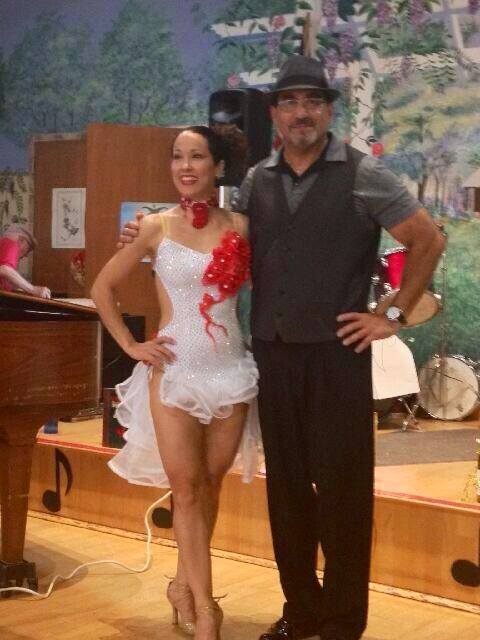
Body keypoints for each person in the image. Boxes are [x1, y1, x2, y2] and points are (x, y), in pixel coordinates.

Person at [119, 57, 444, 640]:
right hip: (272, 356)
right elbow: (212, 232)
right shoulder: (256, 182)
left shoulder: (365, 174)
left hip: (338, 356)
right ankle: (301, 611)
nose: (301, 112)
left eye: (313, 101)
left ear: (328, 111)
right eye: (289, 102)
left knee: (343, 493)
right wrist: (146, 229)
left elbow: (427, 238)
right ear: (274, 114)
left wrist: (390, 315)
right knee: (287, 493)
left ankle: (341, 622)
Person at [91, 125, 259, 640]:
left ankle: (183, 586)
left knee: (209, 486)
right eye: (178, 157)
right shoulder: (153, 226)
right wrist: (130, 345)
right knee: (185, 490)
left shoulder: (243, 226)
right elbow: (102, 288)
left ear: (218, 166)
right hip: (175, 371)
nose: (185, 166)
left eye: (197, 157)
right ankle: (207, 611)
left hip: (231, 372)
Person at [0, 225, 51, 298]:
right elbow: (4, 269)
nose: (26, 255)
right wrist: (33, 289)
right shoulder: (11, 243)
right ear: (21, 240)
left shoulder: (3, 245)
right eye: (29, 248)